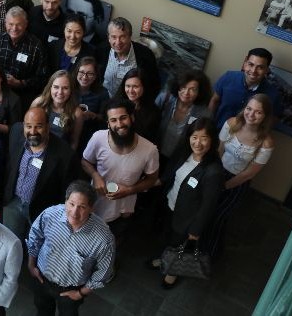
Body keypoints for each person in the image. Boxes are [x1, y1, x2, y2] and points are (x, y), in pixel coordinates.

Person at [148, 118, 223, 289]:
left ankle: (172, 273)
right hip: (171, 206)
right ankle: (164, 259)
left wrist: (195, 232)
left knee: (180, 248)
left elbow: (208, 206)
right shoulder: (185, 153)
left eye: (204, 138)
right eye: (194, 136)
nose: (198, 142)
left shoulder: (213, 171)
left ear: (212, 140)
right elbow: (171, 173)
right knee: (169, 239)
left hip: (188, 219)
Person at [27, 180, 115, 315]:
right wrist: (31, 265)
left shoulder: (104, 238)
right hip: (42, 279)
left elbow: (103, 272)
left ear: (91, 208)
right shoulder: (50, 215)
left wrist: (80, 293)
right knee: (42, 310)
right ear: (65, 201)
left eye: (82, 207)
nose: (74, 212)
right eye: (71, 204)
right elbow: (35, 237)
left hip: (72, 290)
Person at [205, 94, 274, 258]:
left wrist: (224, 186)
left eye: (258, 112)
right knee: (205, 212)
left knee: (217, 218)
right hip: (217, 172)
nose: (251, 114)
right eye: (249, 109)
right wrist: (214, 177)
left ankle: (210, 254)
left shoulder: (266, 143)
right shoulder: (231, 123)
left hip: (237, 183)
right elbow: (218, 150)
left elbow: (249, 173)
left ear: (265, 117)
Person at [81, 99, 159, 241]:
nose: (119, 124)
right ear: (108, 123)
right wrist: (95, 175)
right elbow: (85, 161)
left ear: (132, 117)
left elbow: (152, 179)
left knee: (113, 241)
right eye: (114, 120)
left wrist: (129, 190)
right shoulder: (98, 138)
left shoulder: (150, 149)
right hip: (95, 205)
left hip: (123, 210)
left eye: (123, 118)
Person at [2, 107, 77, 241]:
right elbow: (8, 167)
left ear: (48, 127)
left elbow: (65, 192)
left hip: (41, 210)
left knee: (35, 247)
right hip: (13, 203)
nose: (33, 131)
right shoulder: (15, 133)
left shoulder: (64, 154)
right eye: (29, 126)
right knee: (10, 242)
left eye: (39, 126)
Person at [209, 48, 281, 129]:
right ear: (245, 63)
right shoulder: (228, 77)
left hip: (244, 140)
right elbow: (214, 100)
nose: (253, 71)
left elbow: (273, 119)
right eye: (251, 64)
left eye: (260, 67)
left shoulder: (273, 95)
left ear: (267, 70)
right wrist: (208, 125)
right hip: (216, 131)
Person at [0, 6, 47, 108]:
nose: (14, 28)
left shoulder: (36, 46)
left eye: (18, 24)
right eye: (10, 24)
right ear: (5, 24)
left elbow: (42, 78)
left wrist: (19, 83)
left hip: (23, 93)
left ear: (26, 25)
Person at [156, 69, 213, 168]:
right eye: (183, 87)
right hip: (153, 153)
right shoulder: (164, 99)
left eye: (192, 89)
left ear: (199, 92)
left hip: (178, 162)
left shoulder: (204, 114)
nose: (186, 92)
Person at [97, 17, 160, 99]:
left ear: (130, 36)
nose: (118, 42)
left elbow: (154, 86)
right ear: (108, 37)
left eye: (122, 37)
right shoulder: (101, 50)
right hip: (104, 98)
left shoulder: (146, 56)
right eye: (114, 37)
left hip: (130, 103)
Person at [31, 70, 84, 151]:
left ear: (71, 90)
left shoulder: (77, 113)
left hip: (59, 154)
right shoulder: (38, 103)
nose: (60, 92)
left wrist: (67, 161)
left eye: (65, 88)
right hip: (35, 148)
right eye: (56, 87)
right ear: (50, 87)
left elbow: (74, 141)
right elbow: (27, 129)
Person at [114, 68, 161, 144]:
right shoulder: (115, 103)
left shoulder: (154, 112)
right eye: (128, 86)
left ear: (144, 87)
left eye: (135, 87)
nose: (131, 91)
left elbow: (150, 138)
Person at [73, 56, 109, 151]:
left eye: (90, 74)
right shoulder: (69, 88)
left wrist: (94, 115)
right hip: (68, 129)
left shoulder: (102, 93)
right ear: (77, 72)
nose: (85, 77)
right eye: (82, 72)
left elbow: (105, 118)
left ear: (95, 76)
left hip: (90, 134)